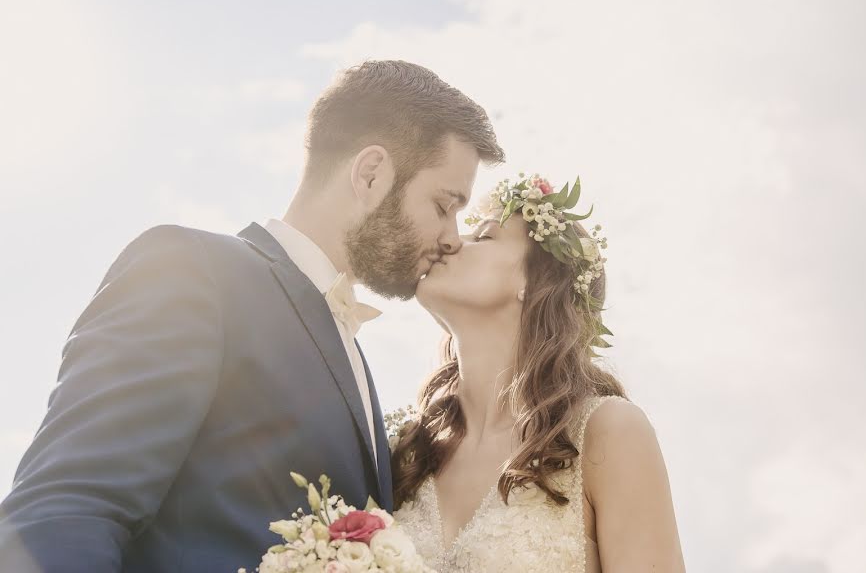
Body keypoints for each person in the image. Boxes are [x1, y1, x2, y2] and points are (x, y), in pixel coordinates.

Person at [0, 60, 504, 573]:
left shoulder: (351, 348)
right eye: (444, 205)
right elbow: (64, 512)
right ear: (371, 174)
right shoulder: (193, 271)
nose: (452, 237)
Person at [390, 175, 686, 572]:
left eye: (485, 237)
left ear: (534, 281)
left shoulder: (606, 432)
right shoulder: (406, 454)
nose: (450, 241)